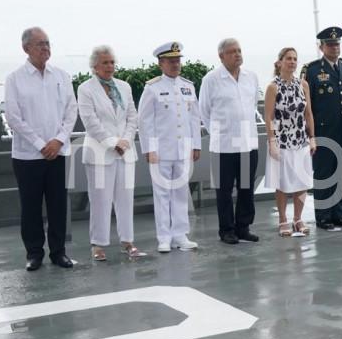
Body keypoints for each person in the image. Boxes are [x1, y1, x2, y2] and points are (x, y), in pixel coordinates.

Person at [4, 27, 78, 271]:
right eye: (40, 44)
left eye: (47, 43)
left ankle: (59, 252)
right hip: (27, 155)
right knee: (31, 206)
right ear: (26, 48)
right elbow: (14, 117)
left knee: (58, 204)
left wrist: (58, 140)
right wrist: (39, 144)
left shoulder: (62, 76)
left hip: (58, 152)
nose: (46, 48)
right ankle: (34, 253)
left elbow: (71, 111)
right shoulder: (15, 79)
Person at [77, 45, 139, 261]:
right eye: (105, 62)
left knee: (125, 199)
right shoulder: (85, 89)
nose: (110, 66)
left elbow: (132, 117)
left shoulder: (124, 86)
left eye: (112, 62)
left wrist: (126, 141)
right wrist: (114, 143)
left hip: (125, 152)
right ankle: (98, 244)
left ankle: (127, 241)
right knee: (100, 201)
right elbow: (90, 121)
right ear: (94, 66)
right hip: (100, 153)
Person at [138, 42, 201, 253]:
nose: (176, 64)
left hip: (183, 150)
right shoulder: (152, 88)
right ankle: (164, 237)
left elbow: (194, 118)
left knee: (181, 193)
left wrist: (196, 145)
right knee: (162, 194)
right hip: (161, 151)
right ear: (161, 63)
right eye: (171, 61)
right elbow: (144, 121)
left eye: (178, 60)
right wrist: (149, 149)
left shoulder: (188, 86)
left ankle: (180, 235)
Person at [199, 38, 260, 244]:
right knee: (224, 191)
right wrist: (219, 132)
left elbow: (251, 107)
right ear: (221, 56)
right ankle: (226, 230)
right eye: (232, 51)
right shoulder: (211, 79)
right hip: (223, 146)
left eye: (239, 50)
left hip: (247, 144)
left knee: (246, 188)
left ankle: (243, 227)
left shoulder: (251, 77)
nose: (237, 54)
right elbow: (204, 111)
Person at [300, 26, 342, 231]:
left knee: (340, 173)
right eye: (330, 44)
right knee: (324, 174)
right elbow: (305, 105)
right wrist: (310, 134)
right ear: (321, 46)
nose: (335, 47)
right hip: (323, 132)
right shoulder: (313, 70)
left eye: (337, 44)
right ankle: (323, 216)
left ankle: (339, 215)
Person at [264, 47, 317, 236]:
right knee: (282, 183)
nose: (292, 62)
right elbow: (268, 116)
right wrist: (272, 141)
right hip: (282, 141)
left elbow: (309, 113)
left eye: (295, 59)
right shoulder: (273, 87)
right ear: (279, 62)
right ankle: (283, 219)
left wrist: (312, 138)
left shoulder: (303, 85)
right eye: (288, 58)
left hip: (301, 140)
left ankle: (298, 218)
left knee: (301, 182)